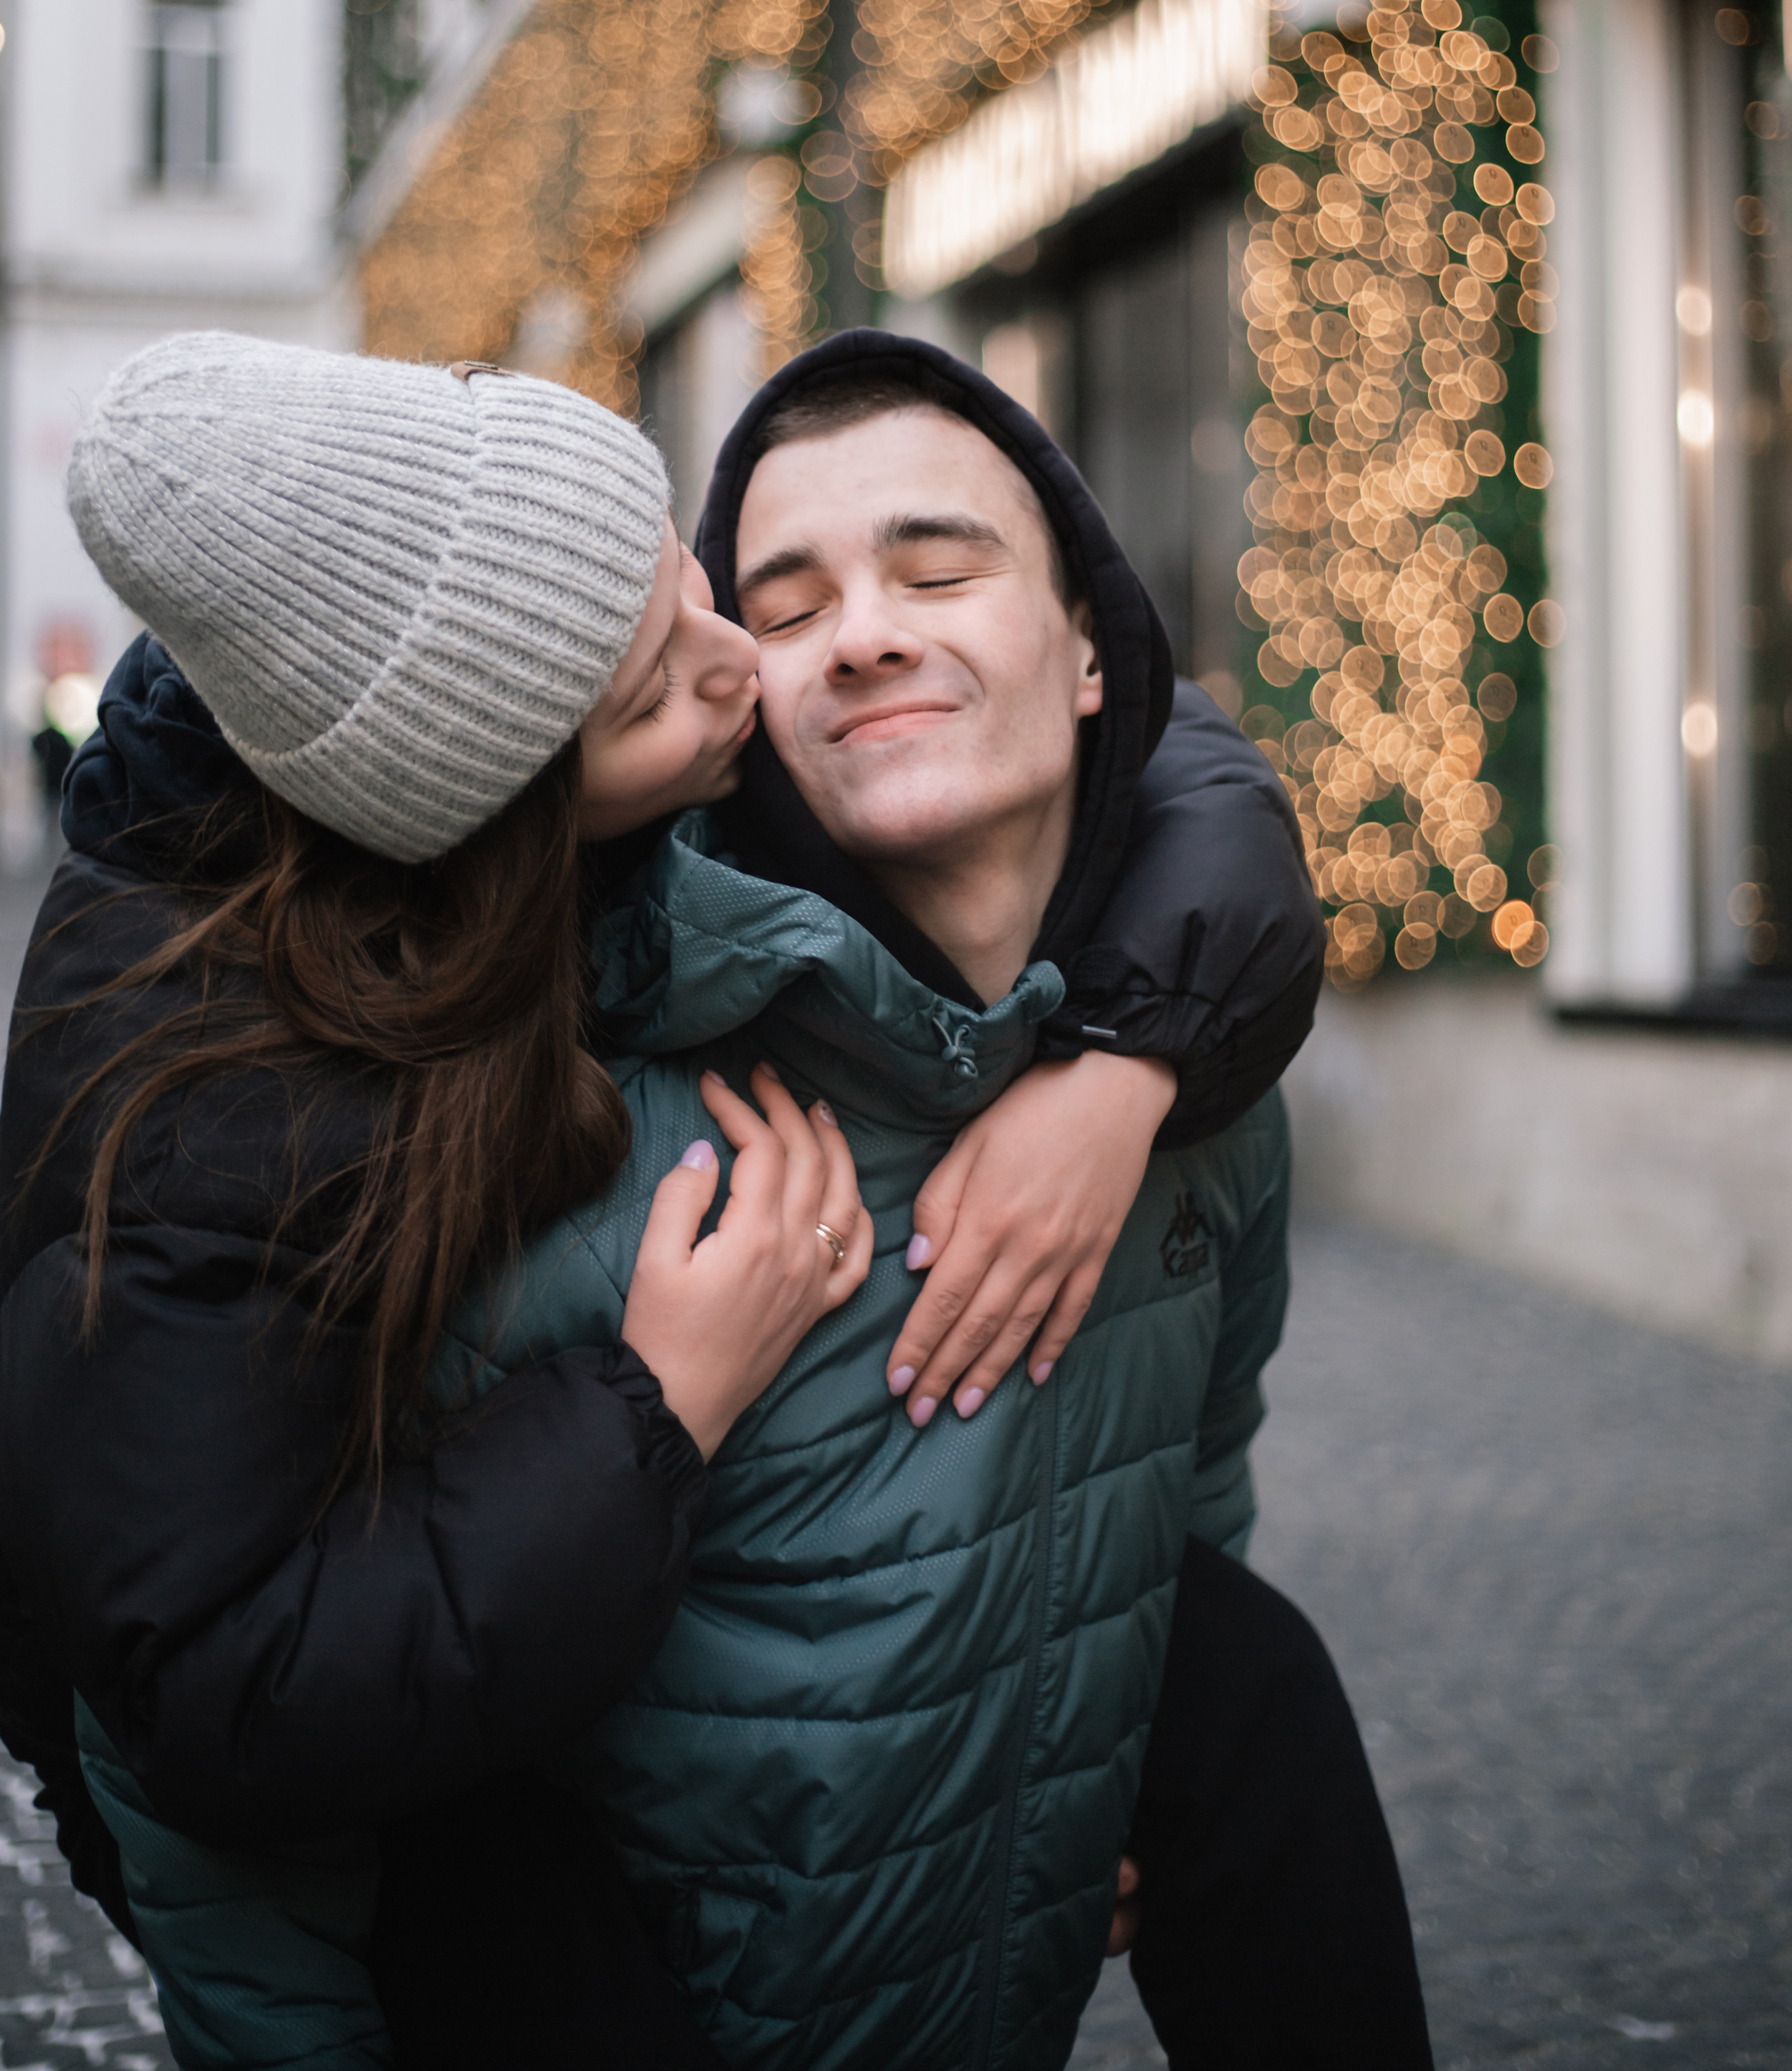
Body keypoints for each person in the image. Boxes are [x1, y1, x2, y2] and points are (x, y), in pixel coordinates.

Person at [59, 335, 1427, 2068]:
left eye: (937, 570)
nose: (855, 636)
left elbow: (1174, 1513)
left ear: (1094, 650)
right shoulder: (551, 1129)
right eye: (778, 609)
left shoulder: (1199, 1096)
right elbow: (240, 1756)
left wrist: (1083, 1771)